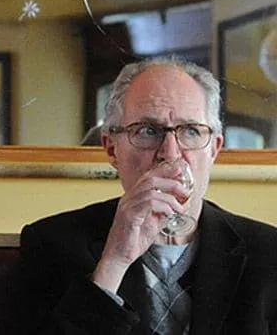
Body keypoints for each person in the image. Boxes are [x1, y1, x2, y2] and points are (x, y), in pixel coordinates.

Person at [16, 57, 277, 334]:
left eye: (190, 131)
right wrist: (115, 260)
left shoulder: (268, 252)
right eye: (148, 131)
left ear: (214, 149)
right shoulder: (51, 244)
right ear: (112, 149)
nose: (170, 154)